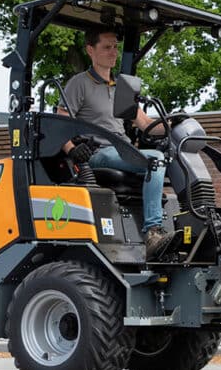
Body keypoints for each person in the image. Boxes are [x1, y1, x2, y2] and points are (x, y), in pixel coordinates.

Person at [59, 28, 171, 257]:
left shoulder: (122, 86)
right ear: (91, 50)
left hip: (123, 150)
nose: (113, 53)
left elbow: (145, 123)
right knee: (156, 161)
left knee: (170, 158)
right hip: (99, 153)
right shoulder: (79, 84)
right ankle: (152, 232)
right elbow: (61, 122)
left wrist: (174, 126)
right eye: (106, 47)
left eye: (115, 47)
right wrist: (72, 150)